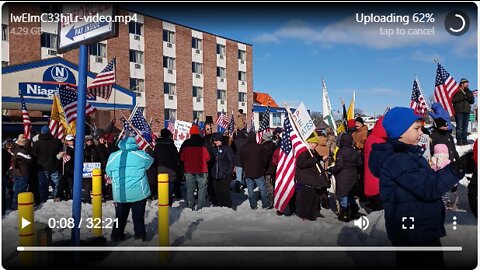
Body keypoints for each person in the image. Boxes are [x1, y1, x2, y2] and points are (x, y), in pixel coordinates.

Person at [369, 107, 475, 268]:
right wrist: (459, 167)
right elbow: (429, 188)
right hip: (414, 234)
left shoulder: (408, 156)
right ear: (400, 132)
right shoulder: (398, 160)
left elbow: (427, 180)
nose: (421, 133)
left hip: (417, 229)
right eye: (417, 128)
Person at [106, 135, 153, 242]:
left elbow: (108, 171)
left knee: (120, 216)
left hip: (120, 192)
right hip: (139, 192)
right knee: (138, 217)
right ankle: (140, 235)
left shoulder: (113, 156)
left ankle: (116, 236)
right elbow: (150, 162)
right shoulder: (141, 155)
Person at [295, 133, 330, 221]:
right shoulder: (304, 151)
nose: (316, 145)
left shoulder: (311, 151)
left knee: (313, 198)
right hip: (305, 180)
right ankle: (306, 217)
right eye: (315, 143)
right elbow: (302, 163)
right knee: (307, 199)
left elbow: (315, 158)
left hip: (310, 179)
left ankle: (312, 215)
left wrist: (321, 158)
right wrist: (316, 159)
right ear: (310, 143)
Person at [328, 133, 362, 222]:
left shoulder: (341, 151)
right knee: (351, 194)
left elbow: (339, 166)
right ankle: (355, 212)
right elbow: (360, 163)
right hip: (353, 175)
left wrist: (331, 169)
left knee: (344, 195)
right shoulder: (354, 151)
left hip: (343, 176)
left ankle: (345, 214)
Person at [180, 125, 211, 210]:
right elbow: (208, 157)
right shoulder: (204, 143)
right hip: (202, 170)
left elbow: (181, 158)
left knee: (190, 189)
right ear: (199, 133)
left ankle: (190, 206)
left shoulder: (185, 143)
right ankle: (200, 207)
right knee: (202, 189)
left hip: (189, 170)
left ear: (190, 133)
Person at [32, 125, 63, 203]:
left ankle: (43, 200)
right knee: (56, 184)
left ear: (41, 133)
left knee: (43, 185)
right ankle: (56, 197)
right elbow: (61, 150)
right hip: (54, 165)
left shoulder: (37, 143)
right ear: (49, 132)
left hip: (42, 167)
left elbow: (34, 155)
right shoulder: (57, 142)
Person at [240, 130, 269, 209]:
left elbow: (241, 160)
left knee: (250, 190)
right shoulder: (260, 147)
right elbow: (265, 159)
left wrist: (245, 167)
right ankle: (265, 204)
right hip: (258, 171)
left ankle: (253, 205)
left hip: (248, 171)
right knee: (262, 188)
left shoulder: (244, 148)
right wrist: (263, 167)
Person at [363, 117, 386, 212]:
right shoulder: (379, 141)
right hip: (379, 180)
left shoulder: (372, 137)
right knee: (380, 212)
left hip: (373, 178)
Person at [154, 128, 179, 203]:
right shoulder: (171, 145)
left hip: (160, 168)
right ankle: (169, 201)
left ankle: (163, 200)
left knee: (162, 185)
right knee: (170, 185)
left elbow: (155, 157)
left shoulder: (157, 146)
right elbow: (176, 157)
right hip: (171, 169)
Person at [210, 132, 234, 208]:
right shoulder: (213, 149)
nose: (215, 142)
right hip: (215, 175)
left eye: (216, 140)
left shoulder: (227, 148)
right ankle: (220, 206)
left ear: (220, 140)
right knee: (217, 192)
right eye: (214, 140)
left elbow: (231, 161)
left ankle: (228, 206)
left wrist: (228, 172)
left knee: (225, 192)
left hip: (224, 175)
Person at [10, 134, 32, 210]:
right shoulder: (22, 151)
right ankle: (18, 204)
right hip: (22, 172)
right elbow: (29, 161)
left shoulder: (13, 149)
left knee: (16, 189)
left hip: (15, 172)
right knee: (21, 190)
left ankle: (14, 203)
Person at [452, 78, 475, 145]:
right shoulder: (456, 91)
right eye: (466, 83)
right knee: (459, 126)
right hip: (459, 111)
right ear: (462, 84)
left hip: (467, 111)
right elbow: (453, 100)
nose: (467, 84)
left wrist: (467, 95)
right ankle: (459, 141)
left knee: (465, 127)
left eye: (468, 83)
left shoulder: (469, 91)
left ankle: (464, 140)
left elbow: (472, 101)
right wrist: (463, 97)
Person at [261, 131, 276, 208]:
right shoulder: (274, 145)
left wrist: (263, 167)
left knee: (269, 185)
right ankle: (273, 200)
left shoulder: (265, 147)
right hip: (274, 168)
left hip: (268, 169)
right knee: (272, 185)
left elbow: (265, 160)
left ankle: (271, 202)